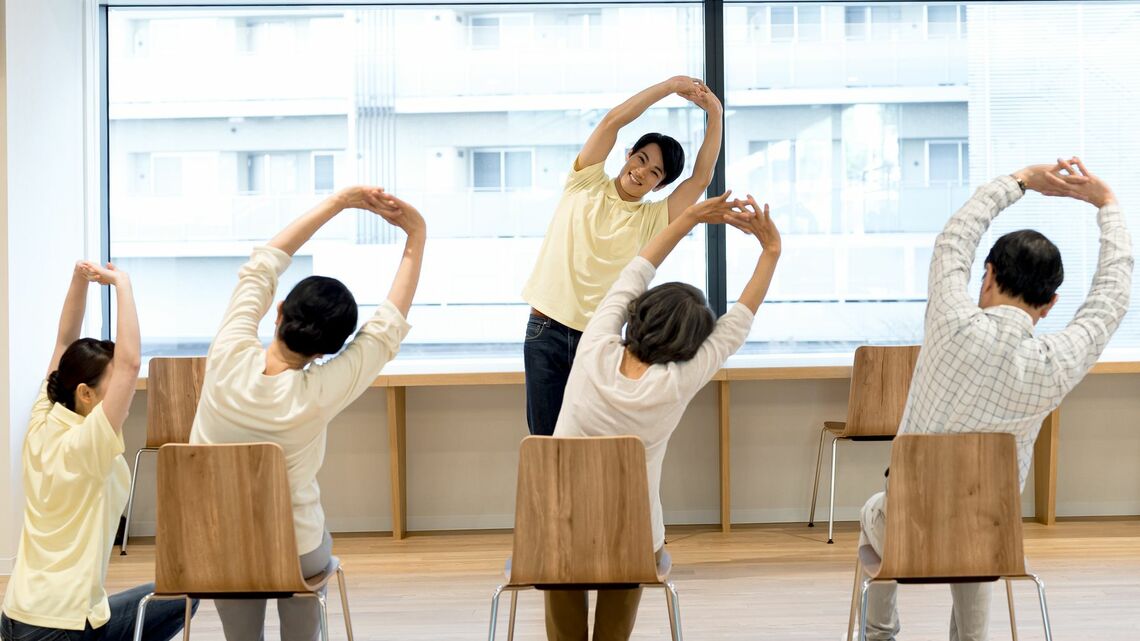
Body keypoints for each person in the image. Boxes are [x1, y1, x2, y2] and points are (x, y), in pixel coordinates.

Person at [858, 158, 1132, 641]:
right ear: (1049, 305)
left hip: (905, 532)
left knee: (874, 510)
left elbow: (955, 237)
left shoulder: (949, 323)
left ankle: (880, 635)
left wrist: (1022, 180)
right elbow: (1109, 301)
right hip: (990, 544)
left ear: (986, 275)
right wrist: (1106, 205)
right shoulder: (1055, 361)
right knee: (979, 524)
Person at [189, 186, 426, 641]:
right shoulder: (319, 390)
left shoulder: (226, 354)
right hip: (293, 549)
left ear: (278, 313)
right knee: (304, 565)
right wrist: (416, 233)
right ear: (331, 350)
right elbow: (386, 327)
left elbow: (264, 264)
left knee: (237, 573)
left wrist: (338, 203)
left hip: (214, 543)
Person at [546, 191, 781, 641]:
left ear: (639, 313)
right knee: (632, 547)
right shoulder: (679, 380)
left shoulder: (595, 344)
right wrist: (771, 251)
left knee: (563, 551)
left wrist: (690, 215)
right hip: (630, 541)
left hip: (555, 533)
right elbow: (739, 322)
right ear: (692, 345)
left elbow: (637, 270)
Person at [522, 75, 736, 436]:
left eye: (655, 172)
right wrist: (669, 86)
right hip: (546, 330)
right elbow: (613, 121)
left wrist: (715, 112)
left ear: (660, 185)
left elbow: (701, 179)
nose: (642, 171)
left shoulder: (653, 219)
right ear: (627, 156)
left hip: (600, 341)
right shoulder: (585, 182)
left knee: (594, 446)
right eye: (641, 159)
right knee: (545, 445)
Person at [1, 261, 197, 641]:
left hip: (16, 616)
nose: (122, 393)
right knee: (185, 599)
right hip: (58, 629)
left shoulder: (43, 419)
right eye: (112, 385)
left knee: (165, 599)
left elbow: (63, 343)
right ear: (85, 394)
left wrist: (79, 280)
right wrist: (122, 284)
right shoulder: (89, 442)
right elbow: (130, 363)